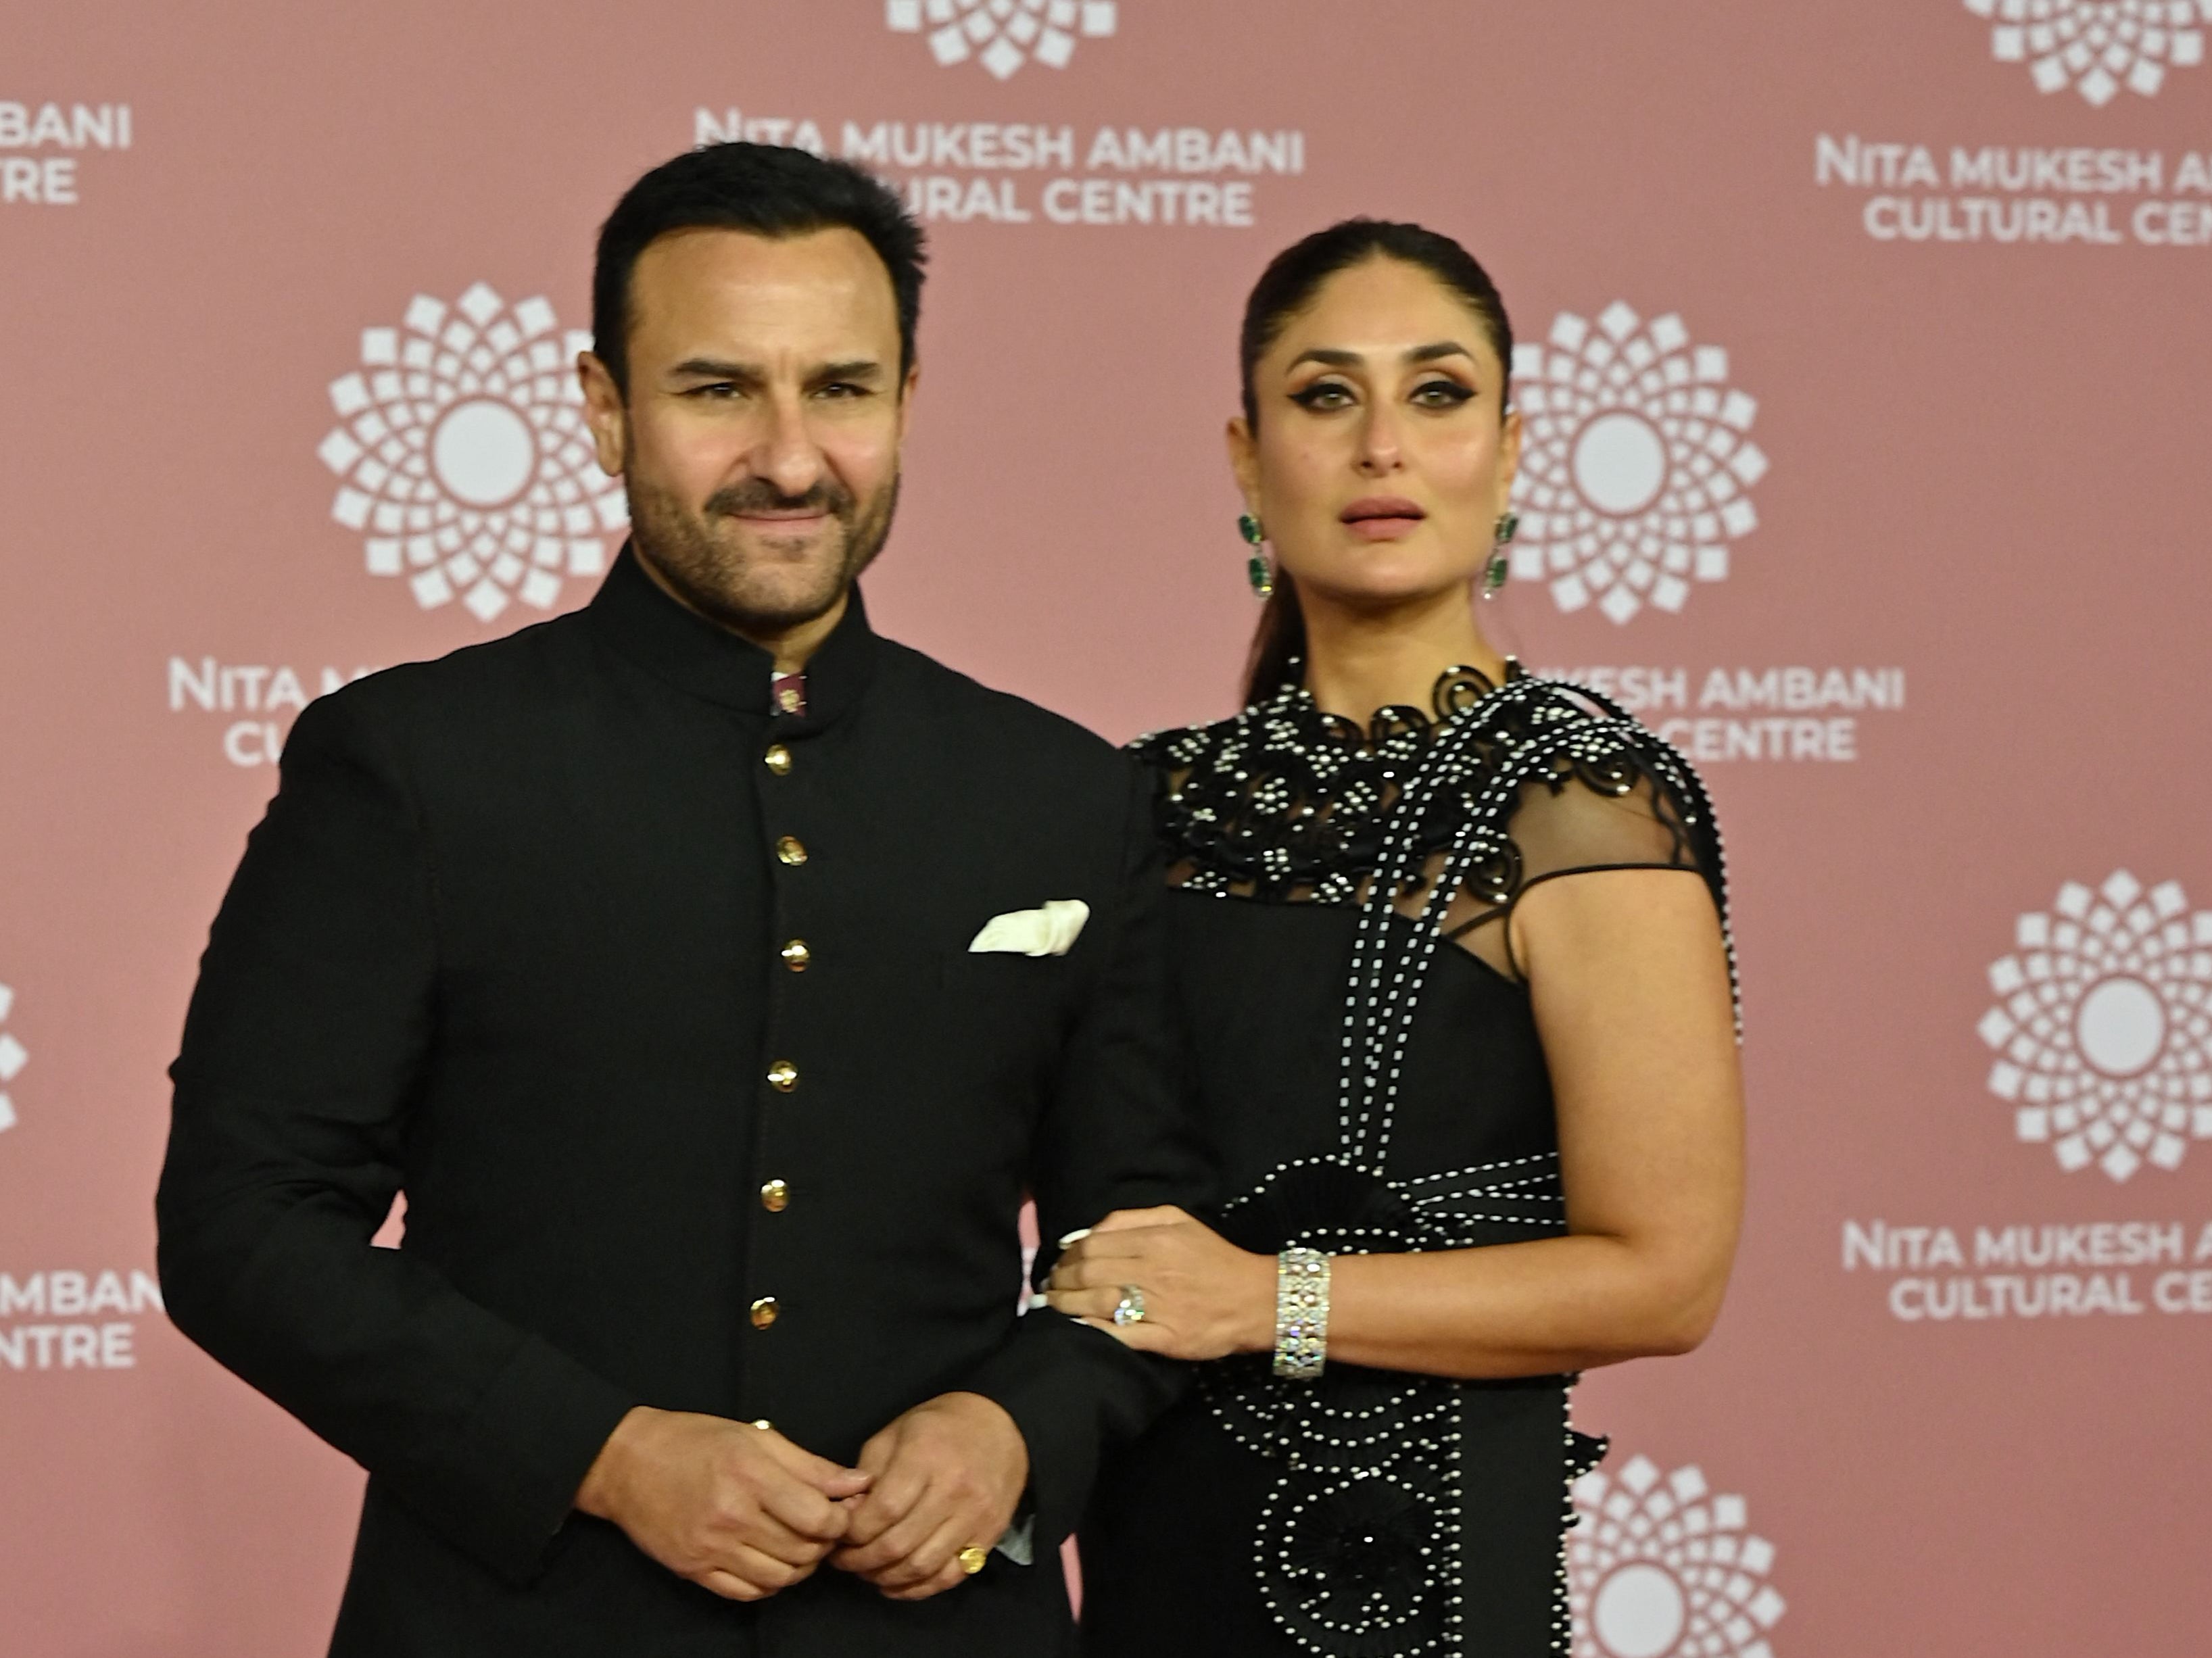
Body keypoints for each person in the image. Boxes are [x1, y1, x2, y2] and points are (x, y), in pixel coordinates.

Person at [155, 141, 1204, 1657]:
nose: (790, 457)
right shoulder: (416, 766)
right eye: (720, 389)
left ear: (905, 401)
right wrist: (599, 1452)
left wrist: (1017, 1424)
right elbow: (241, 1224)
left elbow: (1145, 1238)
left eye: (840, 389)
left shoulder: (1060, 793)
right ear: (604, 409)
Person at [1053, 220, 1746, 1656]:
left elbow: (1665, 1274)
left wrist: (1261, 1301)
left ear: (1507, 446)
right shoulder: (1138, 797)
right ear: (1247, 458)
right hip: (1143, 1562)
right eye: (1325, 395)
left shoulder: (1575, 801)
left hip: (1420, 1579)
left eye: (1436, 395)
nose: (1382, 446)